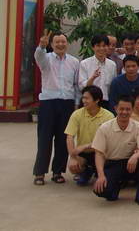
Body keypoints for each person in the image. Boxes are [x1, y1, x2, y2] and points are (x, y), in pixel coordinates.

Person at [33, 30, 80, 186]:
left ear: (67, 44)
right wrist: (41, 46)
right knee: (44, 138)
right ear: (52, 44)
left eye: (63, 42)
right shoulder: (45, 59)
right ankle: (40, 173)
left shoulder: (74, 62)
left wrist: (76, 104)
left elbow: (76, 85)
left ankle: (58, 172)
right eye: (57, 42)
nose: (60, 44)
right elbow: (38, 56)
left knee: (63, 139)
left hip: (67, 103)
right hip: (48, 103)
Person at [92, 95, 139, 205]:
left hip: (130, 163)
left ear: (132, 110)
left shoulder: (138, 126)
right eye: (121, 109)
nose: (124, 112)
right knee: (102, 191)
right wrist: (101, 175)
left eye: (128, 109)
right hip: (112, 164)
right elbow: (99, 154)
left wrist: (135, 157)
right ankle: (117, 186)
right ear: (115, 109)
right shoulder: (104, 128)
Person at [64, 85, 114, 186]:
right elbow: (69, 137)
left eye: (87, 98)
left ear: (97, 100)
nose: (84, 101)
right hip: (84, 153)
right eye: (83, 98)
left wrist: (88, 145)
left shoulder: (108, 116)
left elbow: (109, 140)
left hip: (102, 152)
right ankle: (85, 171)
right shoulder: (77, 114)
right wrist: (73, 156)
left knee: (109, 177)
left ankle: (97, 171)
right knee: (73, 166)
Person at [79, 34, 117, 110]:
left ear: (107, 47)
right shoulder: (84, 63)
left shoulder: (112, 65)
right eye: (98, 46)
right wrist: (92, 78)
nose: (101, 48)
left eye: (104, 46)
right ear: (93, 47)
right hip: (89, 102)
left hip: (106, 103)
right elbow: (81, 87)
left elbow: (113, 86)